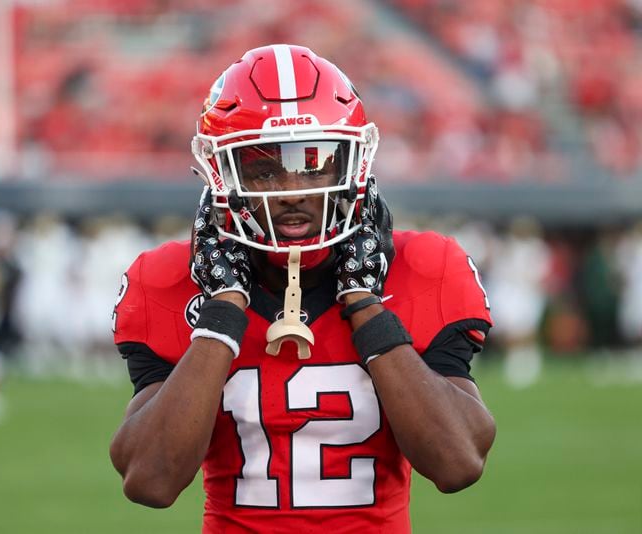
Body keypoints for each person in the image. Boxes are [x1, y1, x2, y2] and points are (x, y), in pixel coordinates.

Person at [110, 45, 495, 532]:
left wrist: (365, 303)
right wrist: (224, 311)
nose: (292, 190)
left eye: (314, 164)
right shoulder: (168, 278)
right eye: (263, 168)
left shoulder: (423, 266)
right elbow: (150, 481)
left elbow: (458, 462)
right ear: (220, 173)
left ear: (353, 164)